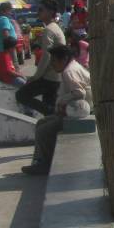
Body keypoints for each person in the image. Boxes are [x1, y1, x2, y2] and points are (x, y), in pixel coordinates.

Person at [21, 45, 92, 175]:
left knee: (44, 131)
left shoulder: (68, 72)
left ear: (64, 59)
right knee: (41, 123)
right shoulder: (73, 66)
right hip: (74, 111)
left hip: (76, 114)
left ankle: (45, 165)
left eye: (54, 61)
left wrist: (62, 101)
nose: (52, 65)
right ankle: (40, 160)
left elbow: (79, 93)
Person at [16, 0, 66, 116]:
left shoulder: (49, 30)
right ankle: (52, 116)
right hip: (55, 77)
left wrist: (36, 77)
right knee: (49, 113)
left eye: (40, 10)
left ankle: (51, 112)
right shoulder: (55, 27)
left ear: (50, 12)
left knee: (21, 95)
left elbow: (46, 56)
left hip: (50, 77)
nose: (38, 12)